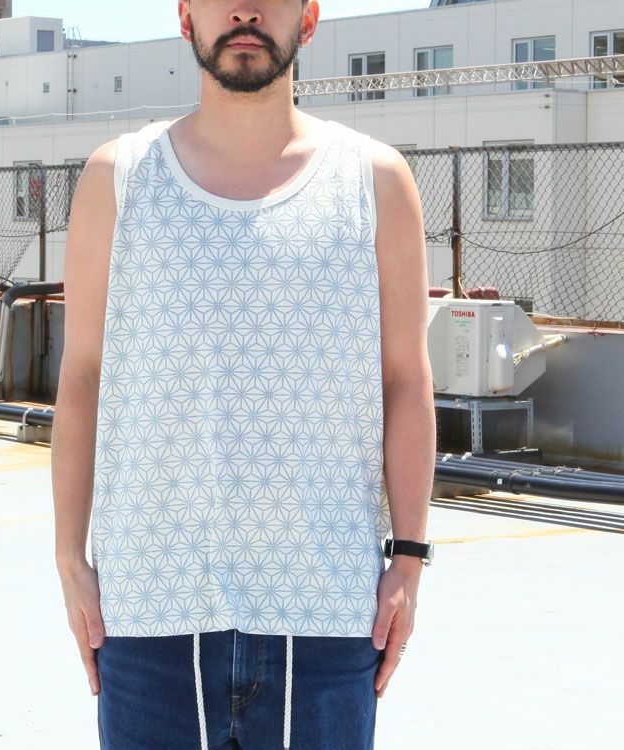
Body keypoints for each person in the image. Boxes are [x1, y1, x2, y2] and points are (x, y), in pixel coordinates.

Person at [51, 1, 436, 747]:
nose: (246, 10)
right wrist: (70, 558)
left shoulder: (375, 181)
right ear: (186, 16)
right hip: (149, 611)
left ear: (309, 18)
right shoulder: (117, 179)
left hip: (327, 615)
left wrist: (410, 559)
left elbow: (406, 382)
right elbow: (83, 378)